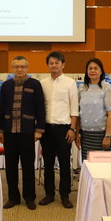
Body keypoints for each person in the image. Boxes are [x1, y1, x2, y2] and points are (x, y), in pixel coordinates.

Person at [0, 56, 45, 210]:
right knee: (10, 167)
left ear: (27, 68)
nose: (19, 69)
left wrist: (39, 130)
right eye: (16, 67)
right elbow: (1, 108)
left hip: (27, 132)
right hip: (9, 132)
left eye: (23, 66)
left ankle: (29, 198)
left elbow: (41, 108)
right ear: (12, 68)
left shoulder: (35, 84)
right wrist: (0, 130)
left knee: (28, 166)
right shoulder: (6, 85)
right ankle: (13, 198)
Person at [39, 51, 79, 208]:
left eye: (57, 63)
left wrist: (72, 129)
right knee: (48, 163)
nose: (54, 65)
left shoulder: (70, 83)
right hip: (47, 129)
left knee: (64, 163)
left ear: (63, 64)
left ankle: (65, 195)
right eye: (51, 63)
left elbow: (74, 108)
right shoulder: (42, 83)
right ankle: (49, 194)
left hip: (64, 129)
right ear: (47, 65)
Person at [76, 58, 111, 161]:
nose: (92, 71)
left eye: (95, 68)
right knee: (89, 166)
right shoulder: (82, 88)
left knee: (106, 167)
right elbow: (78, 113)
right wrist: (77, 135)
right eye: (90, 68)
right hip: (86, 136)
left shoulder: (107, 88)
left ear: (101, 71)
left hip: (102, 135)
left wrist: (107, 136)